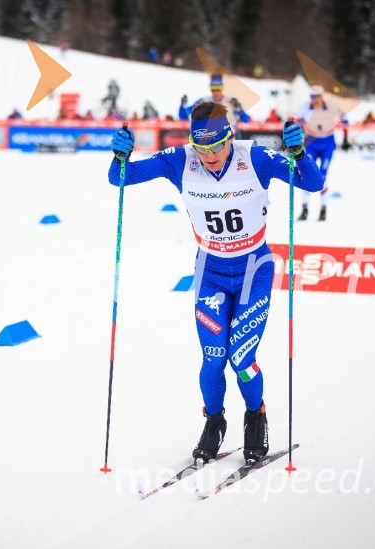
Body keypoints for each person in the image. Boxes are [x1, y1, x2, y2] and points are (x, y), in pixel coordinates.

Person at [107, 102, 324, 463]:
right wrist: (120, 155)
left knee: (241, 358)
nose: (208, 156)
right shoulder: (180, 160)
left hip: (254, 270)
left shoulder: (255, 158)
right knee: (212, 357)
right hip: (210, 272)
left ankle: (255, 415)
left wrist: (299, 153)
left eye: (216, 146)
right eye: (201, 147)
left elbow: (313, 184)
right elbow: (120, 178)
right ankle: (214, 420)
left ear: (230, 136)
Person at [294, 85, 347, 222]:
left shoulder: (331, 106)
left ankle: (323, 209)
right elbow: (296, 123)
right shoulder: (304, 107)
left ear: (322, 96)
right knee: (307, 174)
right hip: (311, 143)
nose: (314, 100)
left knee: (322, 176)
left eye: (316, 97)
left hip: (327, 144)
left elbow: (345, 119)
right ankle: (305, 208)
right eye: (312, 97)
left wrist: (346, 137)